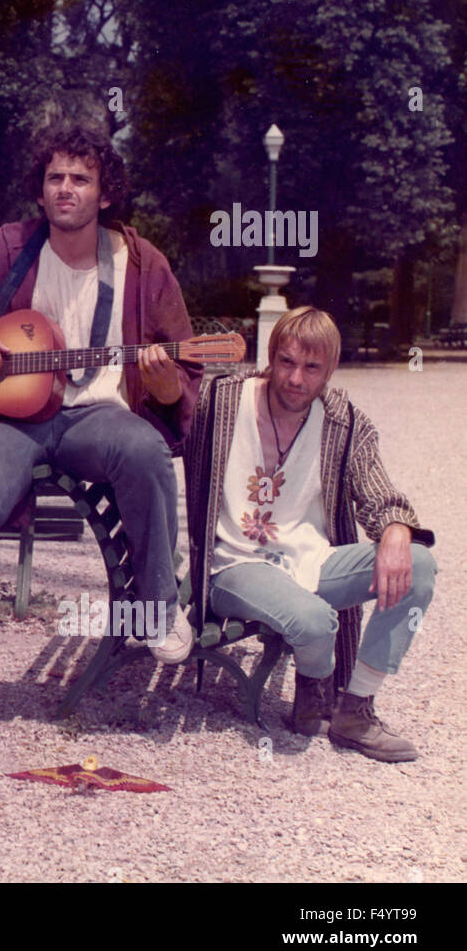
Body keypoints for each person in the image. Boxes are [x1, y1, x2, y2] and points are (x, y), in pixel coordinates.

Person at [0, 116, 200, 759]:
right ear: (40, 189)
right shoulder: (5, 247)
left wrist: (166, 386)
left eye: (80, 179)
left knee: (143, 452)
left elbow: (182, 379)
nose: (65, 189)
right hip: (10, 420)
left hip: (96, 417)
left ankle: (161, 607)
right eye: (55, 177)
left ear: (105, 192)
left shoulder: (141, 263)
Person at [185, 306, 436, 760]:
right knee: (316, 621)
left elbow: (379, 491)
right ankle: (313, 689)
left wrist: (397, 528)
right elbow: (167, 420)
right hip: (236, 566)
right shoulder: (223, 401)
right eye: (287, 362)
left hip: (310, 562)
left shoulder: (342, 422)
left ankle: (355, 711)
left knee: (419, 563)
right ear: (271, 356)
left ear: (329, 372)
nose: (296, 379)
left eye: (311, 368)